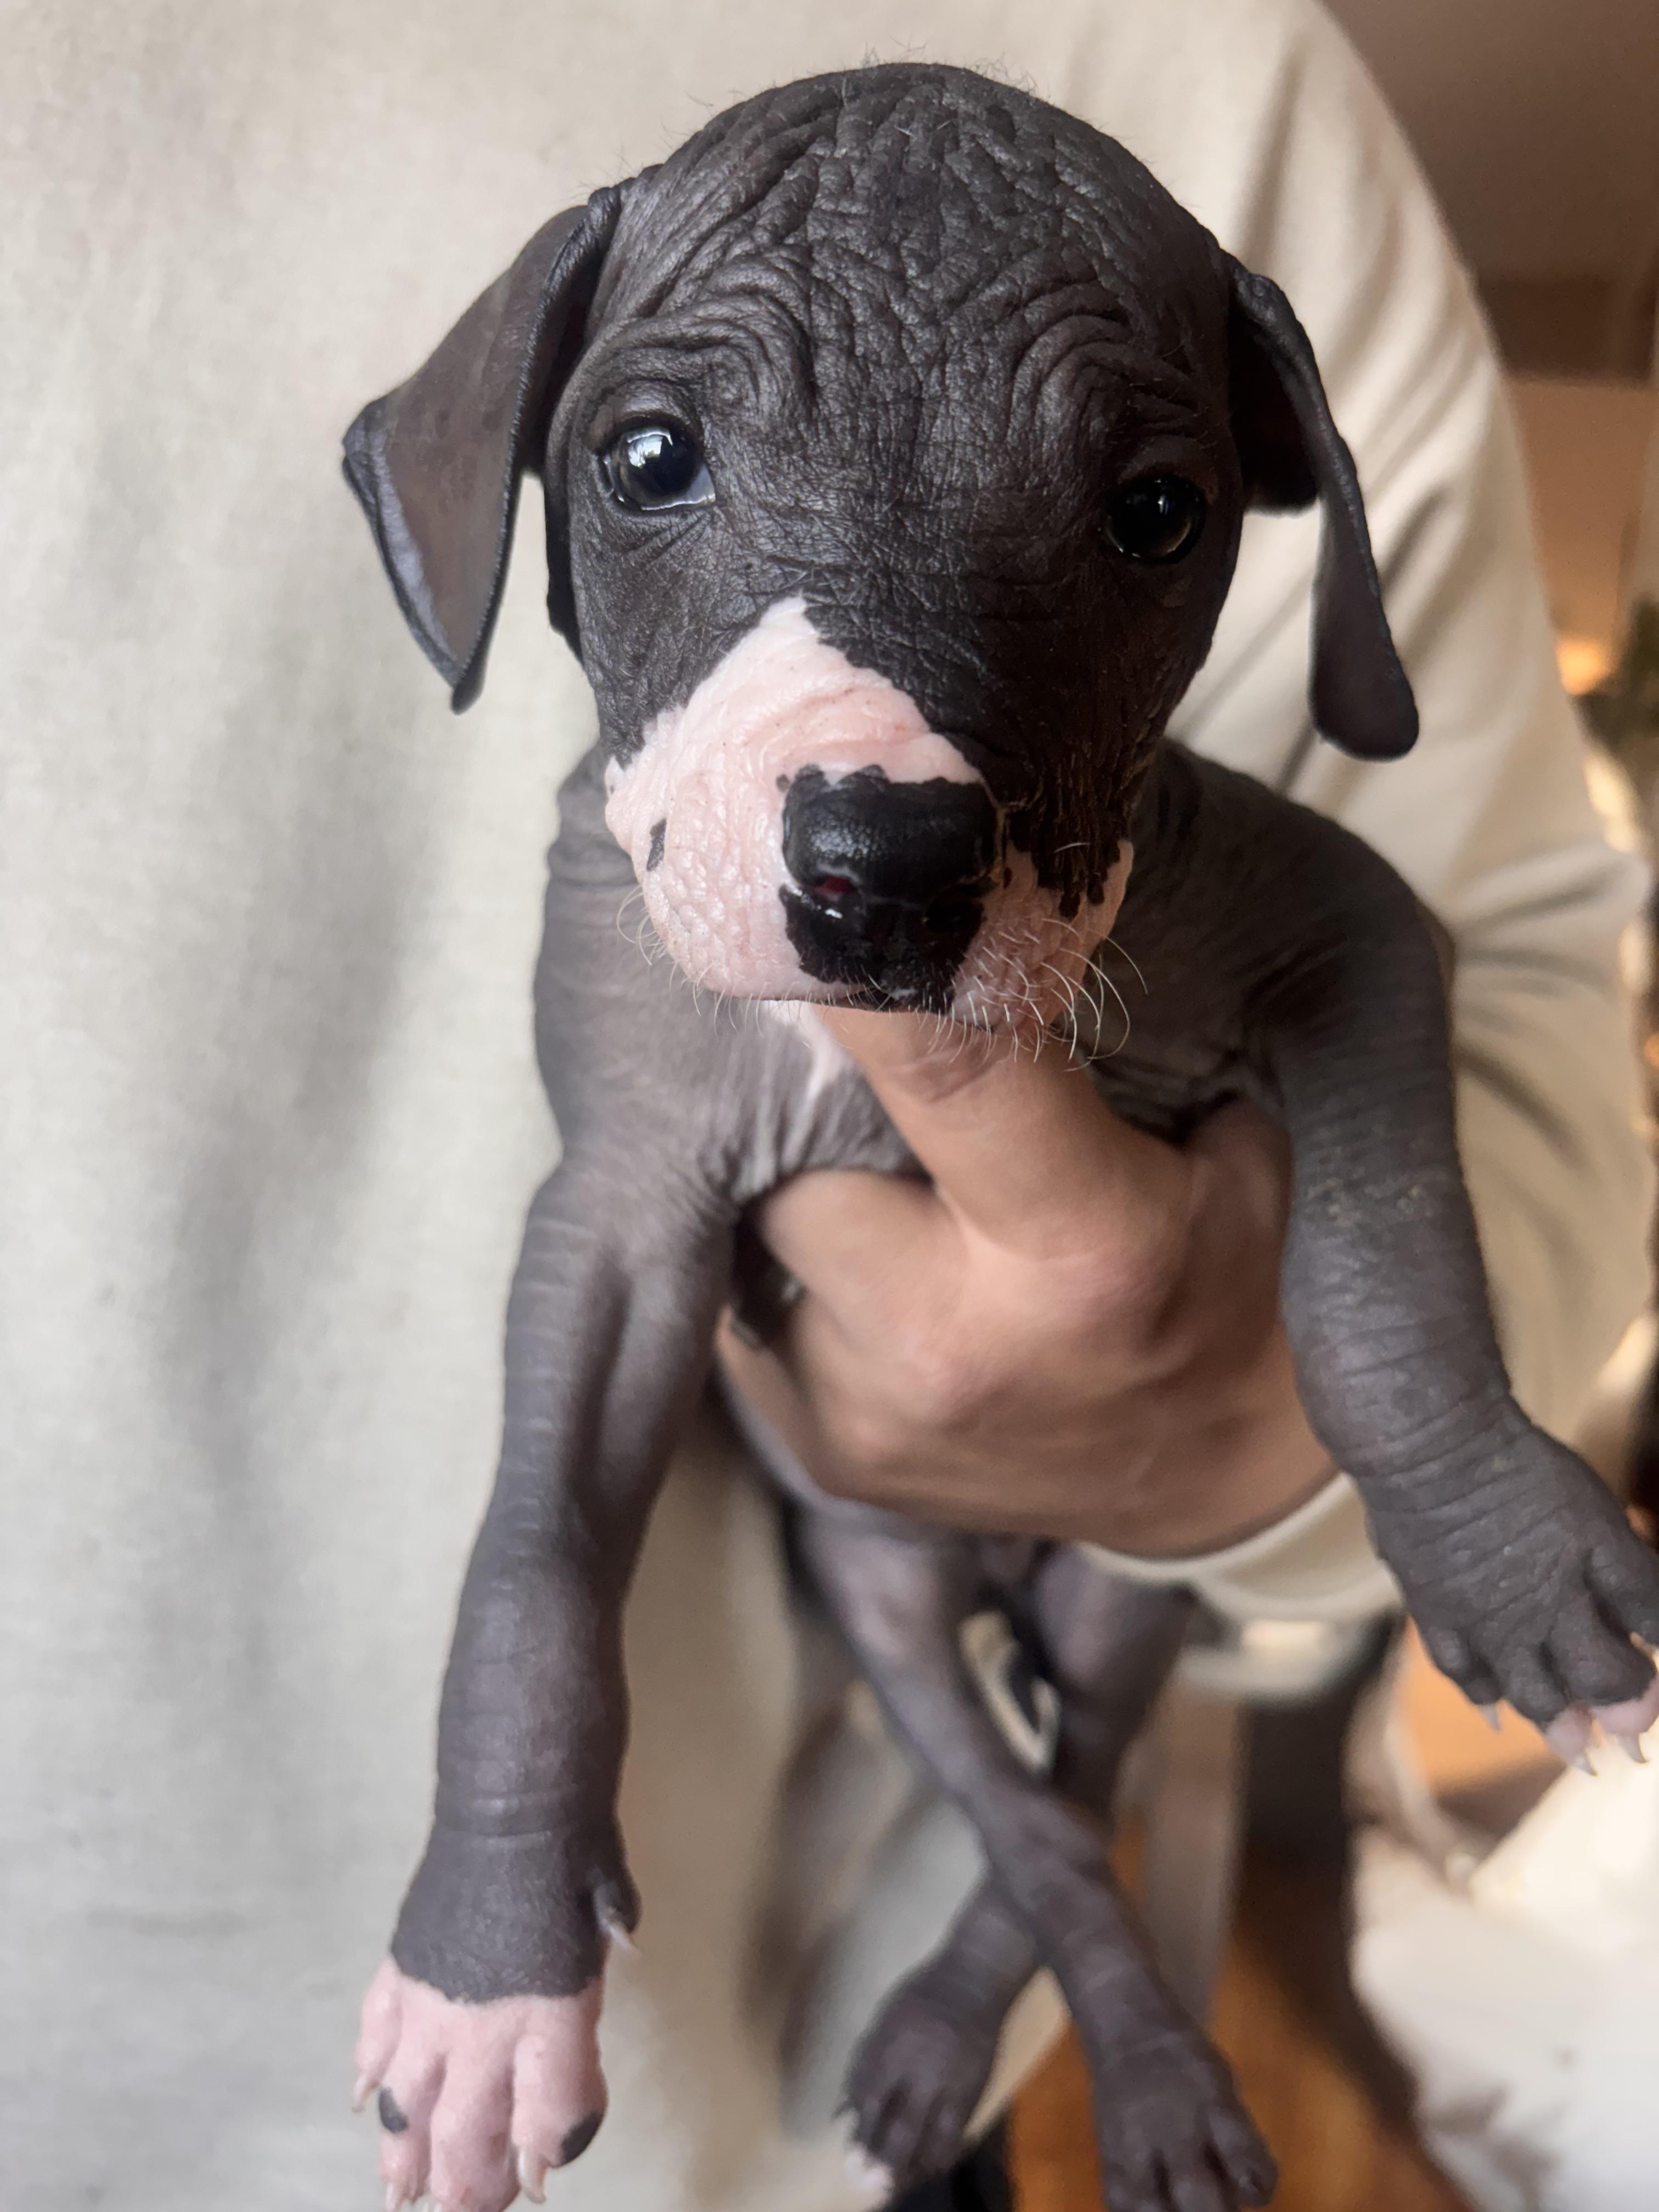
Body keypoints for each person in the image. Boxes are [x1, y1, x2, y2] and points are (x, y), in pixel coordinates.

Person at [1, 2, 1646, 2208]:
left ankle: (1012, 1971)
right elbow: (578, 1381)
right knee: (904, 1621)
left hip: (818, 2046)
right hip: (177, 2009)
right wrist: (504, 1825)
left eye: (1146, 506)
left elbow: (1413, 950)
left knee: (1102, 1652)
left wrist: (1385, 1438)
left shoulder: (1217, 60)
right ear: (497, 467)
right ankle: (1026, 1973)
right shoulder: (616, 893)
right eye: (661, 462)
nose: (880, 783)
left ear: (1290, 527)